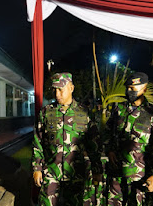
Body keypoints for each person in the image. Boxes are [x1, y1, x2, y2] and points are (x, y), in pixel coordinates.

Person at [32, 72, 102, 206]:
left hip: (77, 174)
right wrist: (37, 168)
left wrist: (97, 170)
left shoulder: (84, 112)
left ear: (71, 88)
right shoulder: (46, 112)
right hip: (51, 173)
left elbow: (94, 142)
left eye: (60, 89)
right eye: (54, 90)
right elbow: (38, 141)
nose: (57, 94)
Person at [105, 72, 153, 206]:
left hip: (139, 176)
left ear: (144, 88)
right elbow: (107, 133)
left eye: (133, 88)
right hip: (117, 173)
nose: (129, 91)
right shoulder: (118, 110)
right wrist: (110, 150)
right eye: (128, 88)